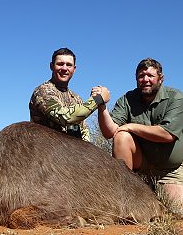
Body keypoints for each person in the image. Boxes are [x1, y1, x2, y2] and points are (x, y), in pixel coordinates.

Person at [94, 57, 183, 206]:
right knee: (121, 137)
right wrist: (101, 106)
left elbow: (167, 134)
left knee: (175, 210)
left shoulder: (176, 98)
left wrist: (131, 126)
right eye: (141, 76)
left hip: (170, 170)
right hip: (143, 165)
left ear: (160, 79)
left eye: (150, 76)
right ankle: (125, 194)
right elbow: (109, 132)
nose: (145, 79)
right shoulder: (128, 99)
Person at [29, 47, 110, 141]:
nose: (64, 68)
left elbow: (84, 131)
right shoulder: (42, 91)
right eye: (60, 64)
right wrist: (98, 99)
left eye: (69, 65)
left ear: (74, 69)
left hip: (72, 150)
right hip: (45, 149)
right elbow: (65, 117)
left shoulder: (76, 98)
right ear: (51, 66)